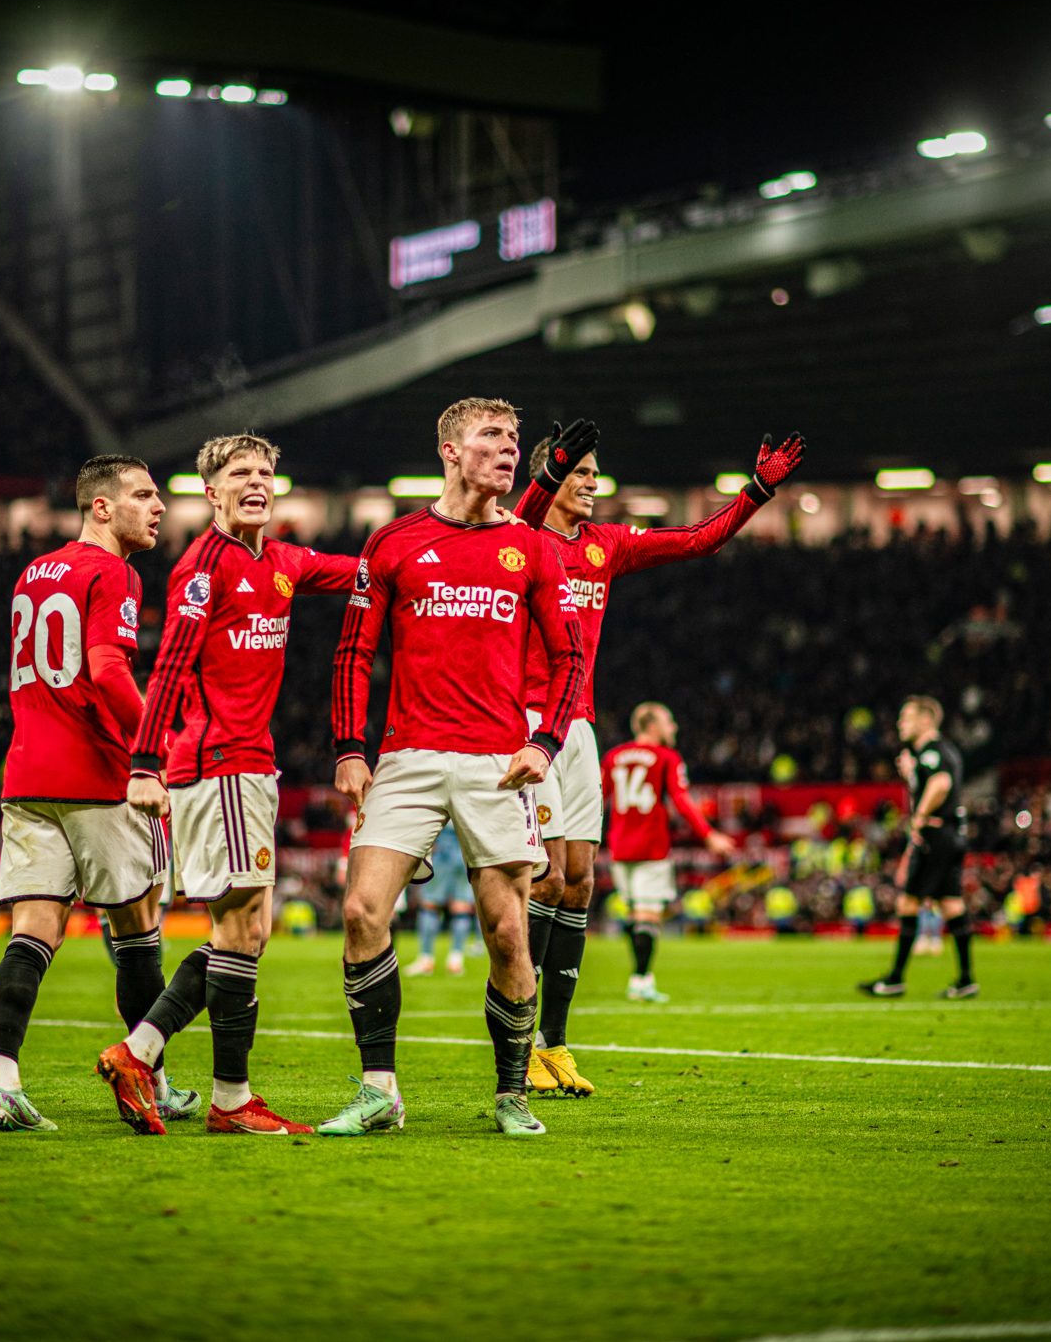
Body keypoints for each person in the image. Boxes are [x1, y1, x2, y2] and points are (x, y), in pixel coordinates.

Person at [320, 396, 585, 1138]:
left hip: (498, 760)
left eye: (514, 438)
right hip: (407, 755)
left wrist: (545, 742)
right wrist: (349, 745)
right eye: (492, 437)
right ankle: (379, 1091)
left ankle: (511, 1094)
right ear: (449, 450)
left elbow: (570, 657)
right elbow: (352, 653)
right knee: (360, 911)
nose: (509, 449)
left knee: (507, 931)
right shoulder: (394, 541)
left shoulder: (533, 547)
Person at [512, 420, 803, 1094]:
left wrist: (754, 493)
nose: (592, 482)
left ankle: (556, 1045)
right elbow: (525, 513)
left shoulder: (604, 545)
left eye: (593, 472)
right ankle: (519, 1041)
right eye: (580, 472)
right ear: (553, 475)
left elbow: (697, 538)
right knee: (547, 879)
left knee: (580, 879)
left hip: (580, 722)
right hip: (525, 723)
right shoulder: (519, 541)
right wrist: (548, 471)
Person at [111, 433, 356, 1136]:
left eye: (266, 473)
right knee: (238, 927)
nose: (257, 482)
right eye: (240, 473)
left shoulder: (280, 559)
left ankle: (215, 1090)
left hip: (250, 765)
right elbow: (166, 668)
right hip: (215, 763)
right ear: (211, 491)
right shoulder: (202, 568)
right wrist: (144, 763)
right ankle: (154, 1060)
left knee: (248, 929)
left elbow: (364, 565)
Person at [0, 455, 190, 1133]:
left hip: (27, 775)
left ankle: (0, 1080)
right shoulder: (114, 571)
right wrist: (155, 747)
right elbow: (103, 669)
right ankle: (151, 1079)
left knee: (32, 934)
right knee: (137, 928)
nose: (157, 506)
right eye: (142, 494)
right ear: (102, 506)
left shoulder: (31, 572)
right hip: (98, 777)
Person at [599, 702, 736, 1010]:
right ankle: (641, 980)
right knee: (649, 916)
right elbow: (682, 800)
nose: (673, 727)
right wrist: (708, 834)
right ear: (652, 727)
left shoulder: (613, 757)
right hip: (651, 847)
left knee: (635, 914)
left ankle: (641, 979)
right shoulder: (666, 757)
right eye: (668, 722)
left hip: (619, 847)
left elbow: (598, 798)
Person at [859, 696, 975, 998]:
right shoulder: (940, 752)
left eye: (906, 717)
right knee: (951, 904)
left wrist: (919, 818)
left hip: (936, 835)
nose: (900, 724)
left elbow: (941, 785)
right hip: (951, 834)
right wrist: (912, 775)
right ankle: (966, 980)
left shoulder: (932, 752)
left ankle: (895, 979)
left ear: (926, 721)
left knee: (908, 903)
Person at [406, 823, 475, 977]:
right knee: (461, 907)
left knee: (430, 905)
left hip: (442, 851)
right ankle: (456, 960)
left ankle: (426, 959)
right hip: (464, 852)